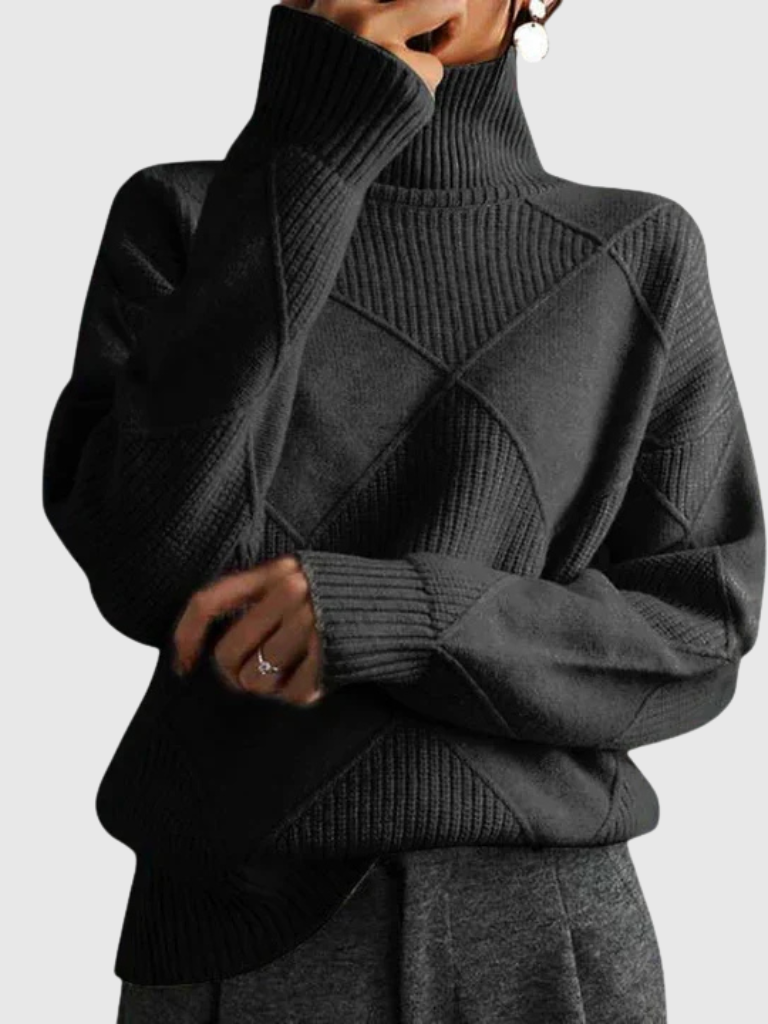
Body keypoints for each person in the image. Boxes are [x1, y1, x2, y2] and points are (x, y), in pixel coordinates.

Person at [42, 0, 764, 1021]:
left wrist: (403, 617)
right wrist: (312, 148)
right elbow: (147, 565)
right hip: (235, 935)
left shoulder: (638, 252)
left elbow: (699, 631)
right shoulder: (186, 219)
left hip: (541, 933)